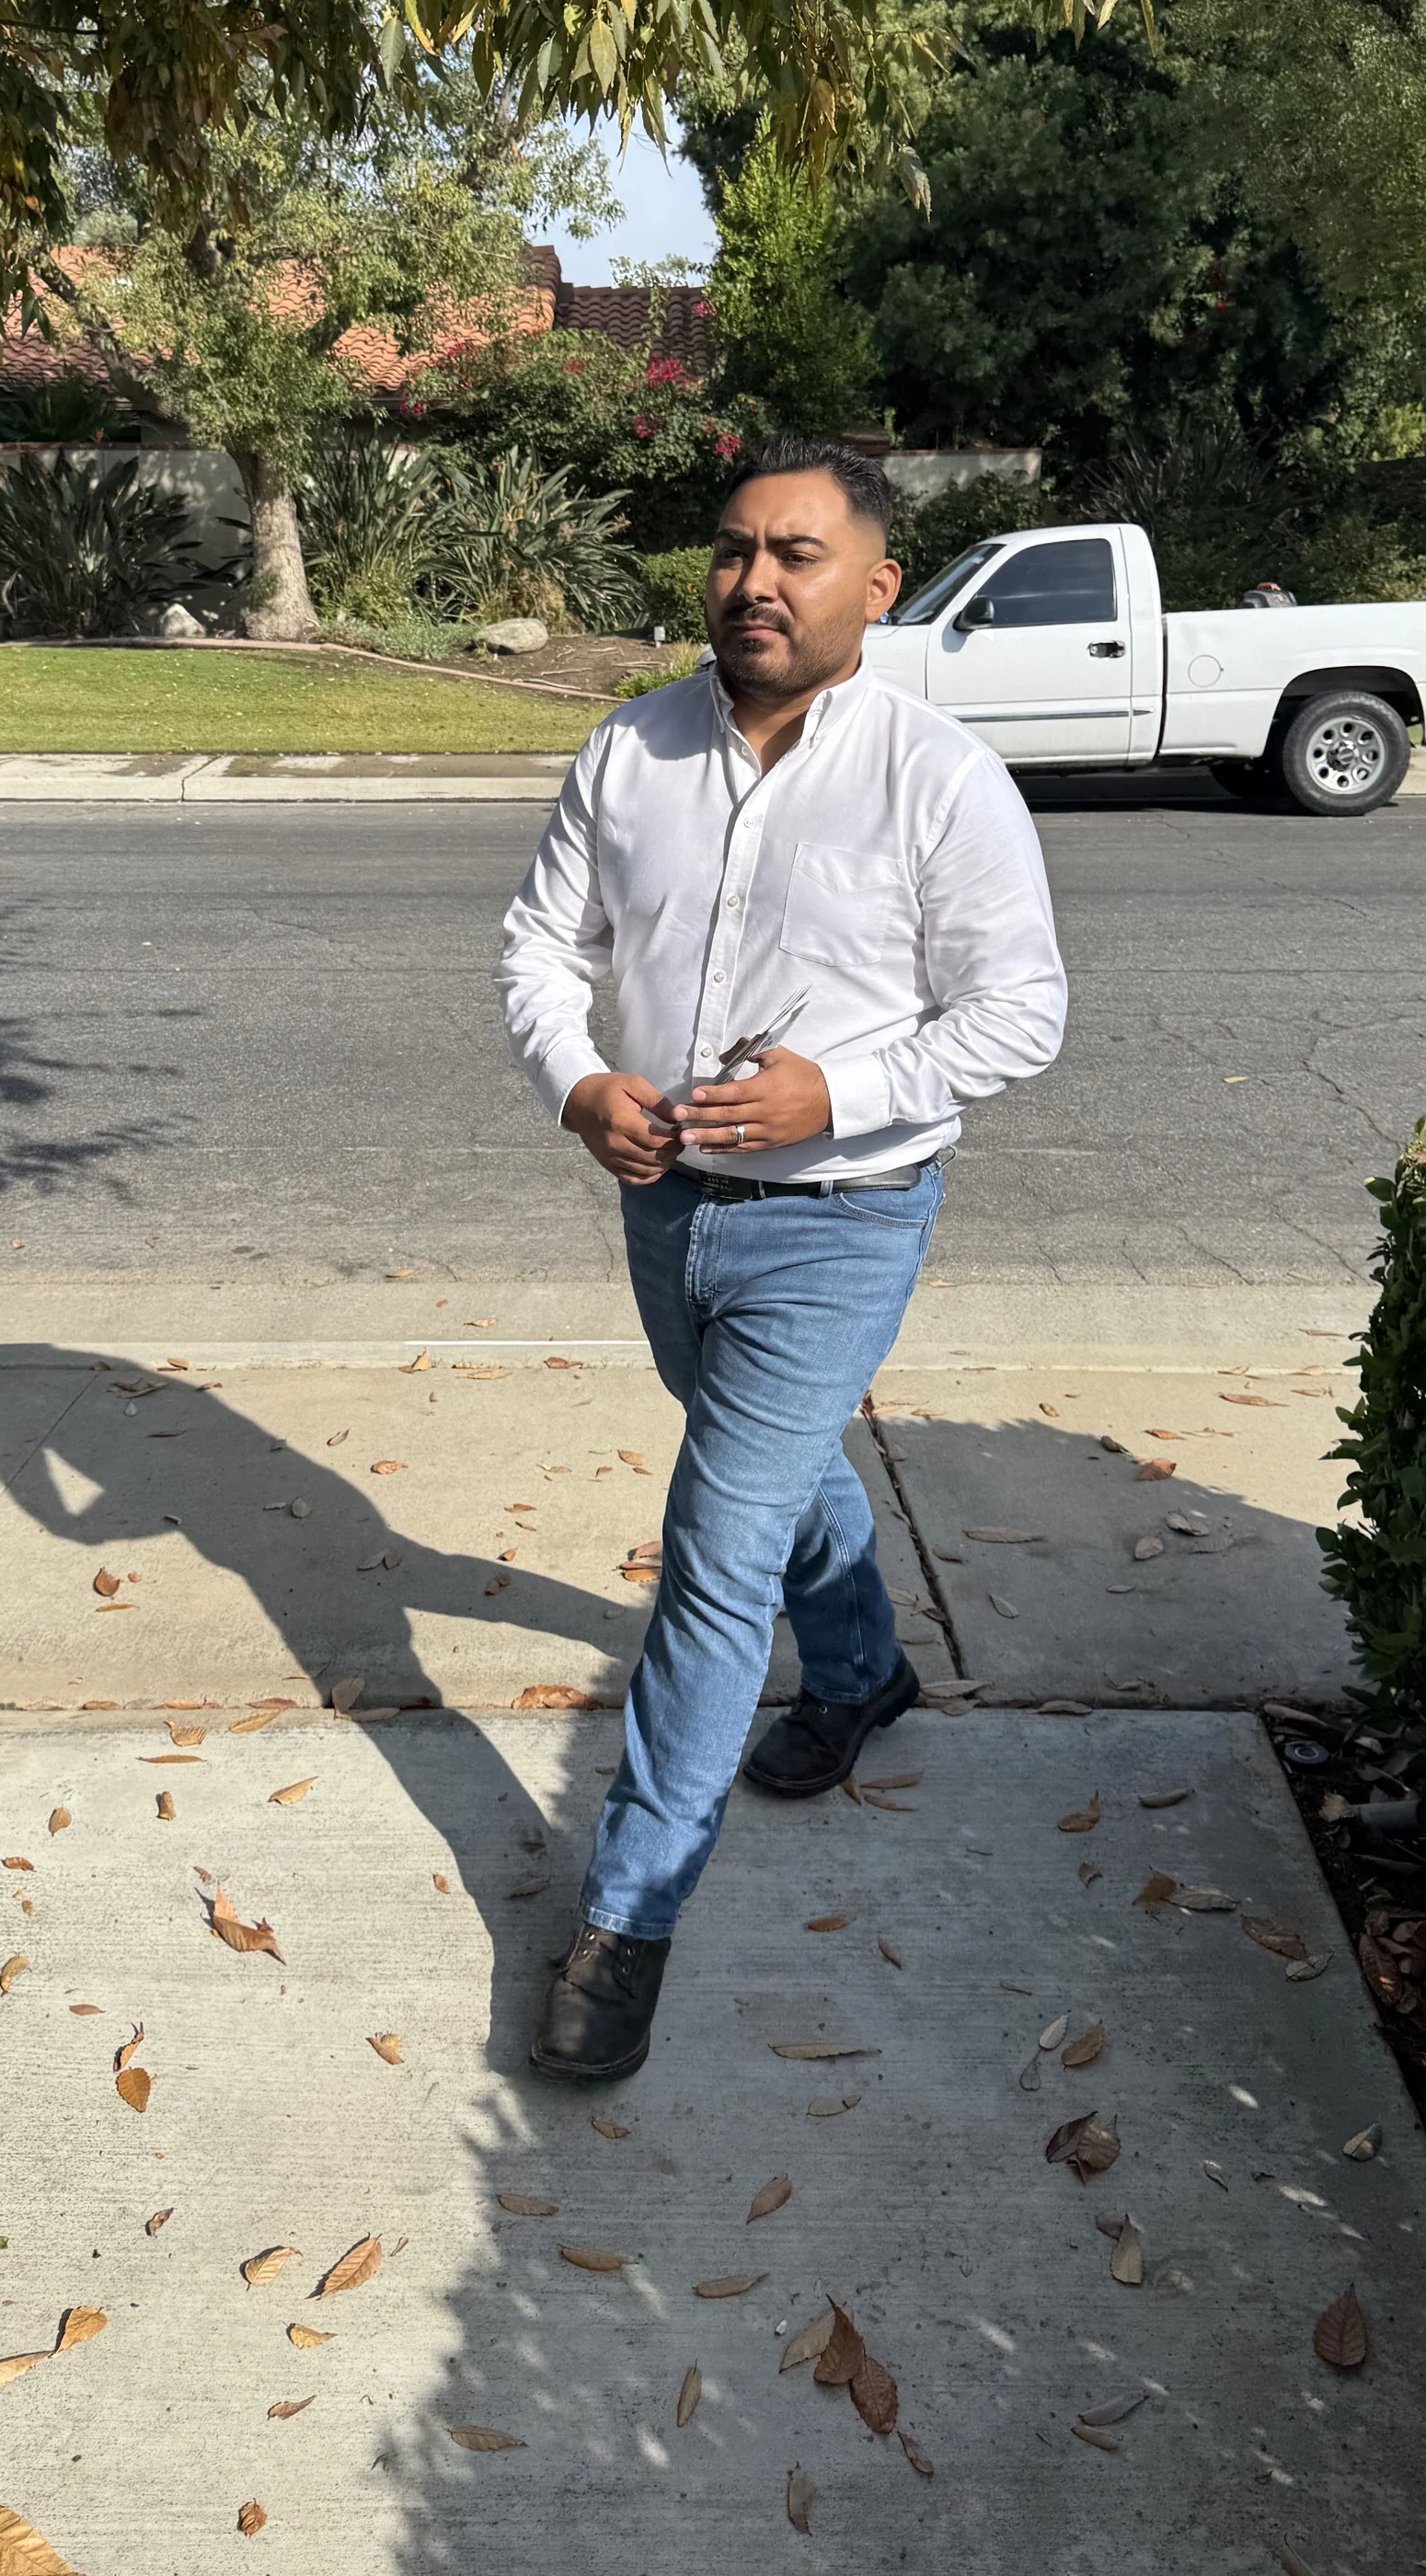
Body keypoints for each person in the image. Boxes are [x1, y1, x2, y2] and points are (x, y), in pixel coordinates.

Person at [494, 435, 1068, 2081]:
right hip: (665, 1205)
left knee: (716, 1545)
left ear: (877, 588)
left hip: (844, 1220)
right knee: (774, 1463)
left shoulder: (937, 776)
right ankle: (870, 1672)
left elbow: (1022, 1012)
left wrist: (845, 1089)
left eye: (797, 555)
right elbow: (542, 943)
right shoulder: (630, 750)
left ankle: (631, 1913)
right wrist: (579, 1084)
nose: (755, 580)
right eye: (735, 548)